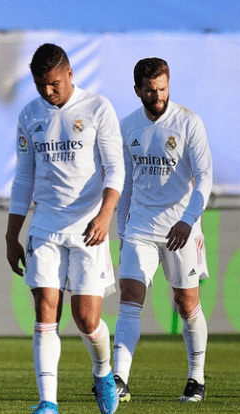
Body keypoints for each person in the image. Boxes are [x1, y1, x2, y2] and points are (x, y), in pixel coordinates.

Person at [5, 44, 124, 414]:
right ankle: (48, 402)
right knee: (45, 312)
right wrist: (11, 234)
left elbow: (116, 169)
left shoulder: (98, 108)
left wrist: (105, 216)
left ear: (70, 74)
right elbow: (23, 178)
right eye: (40, 84)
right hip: (45, 226)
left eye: (54, 83)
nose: (48, 91)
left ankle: (103, 372)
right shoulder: (30, 114)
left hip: (89, 227)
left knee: (87, 320)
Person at [113, 57, 212, 403]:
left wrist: (188, 219)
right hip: (139, 228)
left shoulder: (188, 122)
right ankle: (119, 379)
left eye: (163, 88)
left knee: (186, 304)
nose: (158, 96)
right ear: (137, 90)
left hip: (180, 230)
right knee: (129, 299)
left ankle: (196, 378)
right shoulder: (128, 127)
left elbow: (205, 177)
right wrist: (122, 231)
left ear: (168, 85)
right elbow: (125, 184)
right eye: (151, 90)